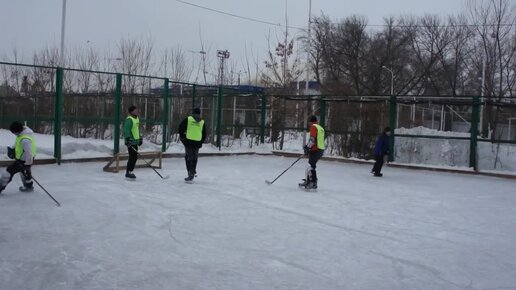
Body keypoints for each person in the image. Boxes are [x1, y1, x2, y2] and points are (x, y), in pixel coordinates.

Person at [0, 122, 36, 194]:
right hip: (23, 159)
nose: (14, 134)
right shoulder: (23, 134)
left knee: (8, 172)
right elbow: (19, 144)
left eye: (14, 132)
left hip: (25, 160)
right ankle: (28, 186)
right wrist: (12, 149)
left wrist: (27, 164)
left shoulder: (25, 140)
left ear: (17, 131)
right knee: (24, 172)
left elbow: (29, 153)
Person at [178, 108, 206, 182]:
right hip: (197, 142)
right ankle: (193, 170)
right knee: (195, 157)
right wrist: (201, 141)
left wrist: (182, 136)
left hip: (189, 141)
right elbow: (204, 133)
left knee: (188, 157)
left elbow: (181, 127)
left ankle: (190, 172)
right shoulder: (202, 122)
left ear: (193, 113)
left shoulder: (189, 119)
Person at [299, 115, 325, 189]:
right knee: (309, 165)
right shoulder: (320, 128)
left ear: (311, 122)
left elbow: (312, 139)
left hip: (316, 150)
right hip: (319, 149)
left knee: (310, 166)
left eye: (309, 122)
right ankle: (308, 181)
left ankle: (313, 183)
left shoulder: (314, 127)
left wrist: (307, 147)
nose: (309, 124)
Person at [123, 106, 142, 180]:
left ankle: (130, 171)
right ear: (131, 112)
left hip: (135, 141)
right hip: (130, 142)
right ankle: (128, 172)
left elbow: (136, 129)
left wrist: (140, 138)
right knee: (132, 157)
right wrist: (128, 139)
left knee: (134, 157)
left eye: (137, 109)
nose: (137, 111)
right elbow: (126, 130)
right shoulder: (129, 120)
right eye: (136, 110)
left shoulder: (136, 118)